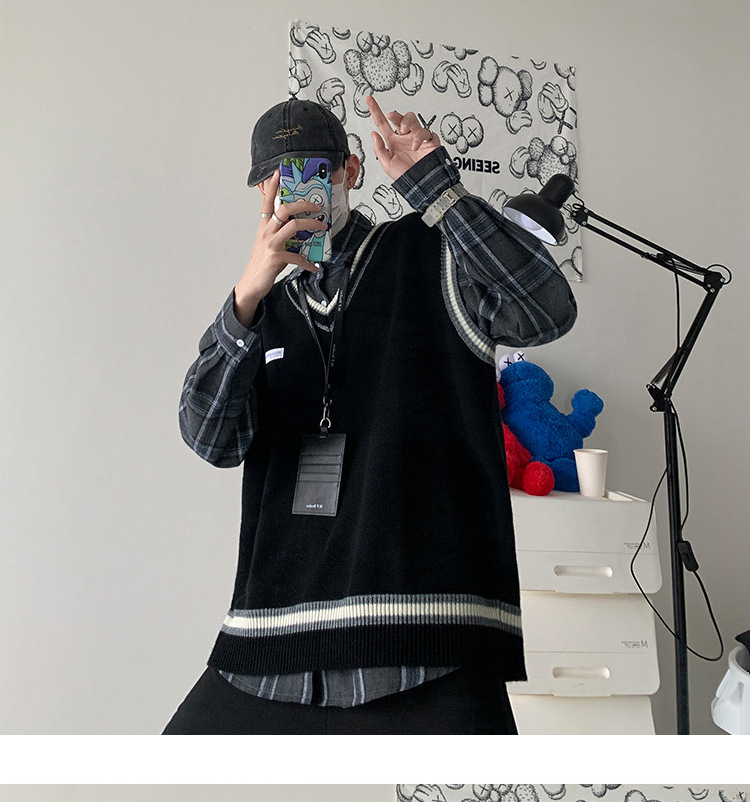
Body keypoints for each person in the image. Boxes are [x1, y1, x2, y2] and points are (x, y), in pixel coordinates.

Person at [163, 95, 578, 735]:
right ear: (259, 194)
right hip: (276, 636)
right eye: (274, 177)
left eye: (312, 169)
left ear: (351, 171)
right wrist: (246, 294)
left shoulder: (433, 251)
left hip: (428, 631)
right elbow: (210, 440)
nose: (292, 189)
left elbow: (546, 310)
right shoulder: (259, 313)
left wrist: (436, 188)